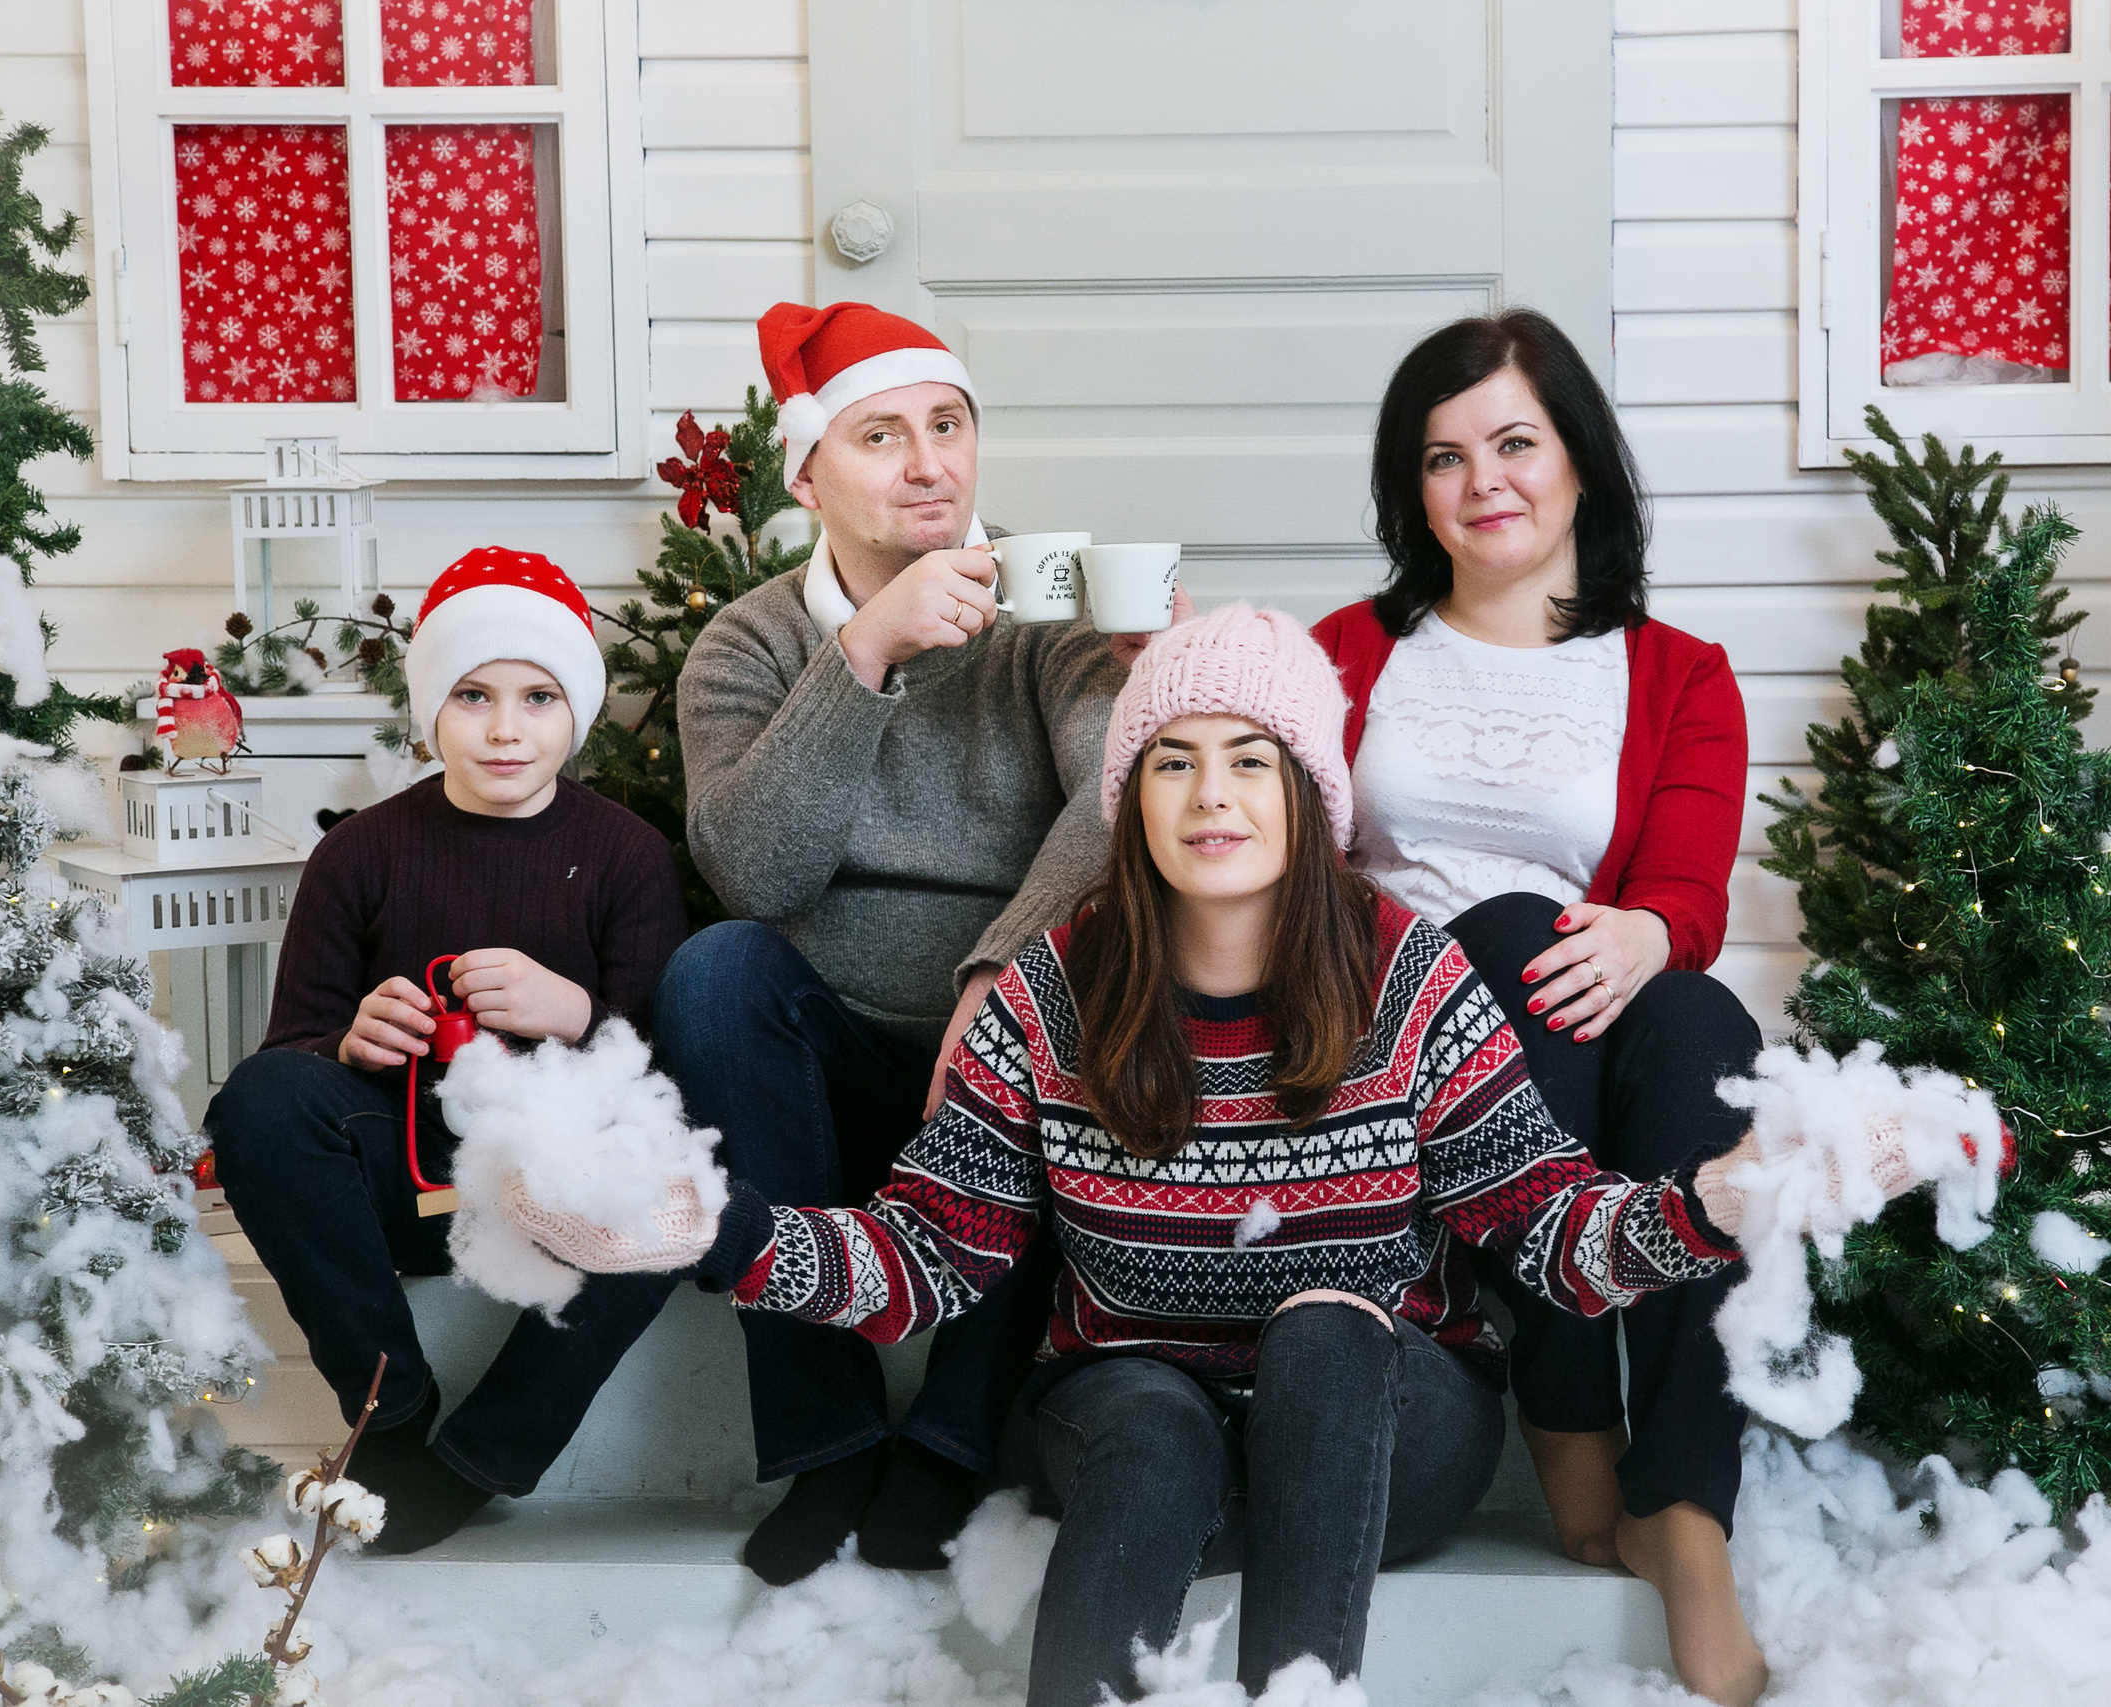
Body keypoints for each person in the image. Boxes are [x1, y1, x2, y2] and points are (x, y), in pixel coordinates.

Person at [513, 605, 1820, 1705]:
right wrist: (714, 1227)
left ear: (1309, 796)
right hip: (1138, 1417)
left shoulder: (1408, 979)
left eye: (1253, 760)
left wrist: (1706, 1209)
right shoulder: (1049, 997)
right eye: (1175, 760)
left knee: (1325, 1322)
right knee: (1141, 1415)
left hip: (1384, 1423)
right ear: (1131, 794)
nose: (1213, 796)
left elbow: (1546, 1226)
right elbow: (923, 1256)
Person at [1312, 308, 1766, 1706]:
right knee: (1508, 928)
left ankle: (1681, 1509)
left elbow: (1687, 894)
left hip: (1590, 1009)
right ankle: (1572, 1414)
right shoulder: (1345, 647)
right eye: (1445, 456)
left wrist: (1644, 928)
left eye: (1516, 441)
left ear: (1578, 463)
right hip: (1392, 1040)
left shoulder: (1679, 672)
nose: (1484, 480)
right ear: (1414, 488)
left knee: (1709, 1032)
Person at [658, 301, 1138, 1585]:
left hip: (1012, 1049)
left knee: (1093, 1004)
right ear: (808, 472)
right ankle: (825, 1442)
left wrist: (1001, 977)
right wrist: (862, 653)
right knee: (716, 972)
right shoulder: (750, 644)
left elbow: (1114, 806)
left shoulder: (1056, 603)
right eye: (881, 436)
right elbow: (755, 873)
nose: (928, 463)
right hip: (834, 1059)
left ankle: (948, 1442)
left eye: (947, 425)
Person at [208, 548, 687, 1554]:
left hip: (555, 1195)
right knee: (258, 1099)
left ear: (578, 711)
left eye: (538, 697)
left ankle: (484, 1455)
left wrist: (573, 1012)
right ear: (431, 706)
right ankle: (387, 1406)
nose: (506, 728)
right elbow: (289, 1052)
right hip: (399, 1187)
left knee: (666, 1192)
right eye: (473, 694)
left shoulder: (626, 854)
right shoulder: (361, 854)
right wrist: (348, 1041)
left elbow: (659, 1081)